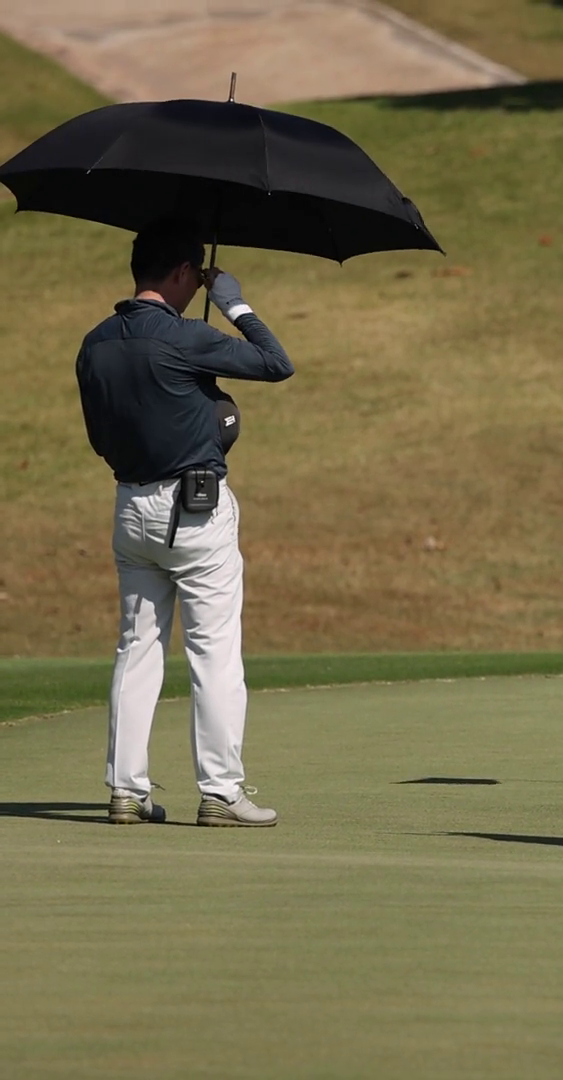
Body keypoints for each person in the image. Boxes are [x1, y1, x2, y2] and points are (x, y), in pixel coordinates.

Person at [75, 221, 293, 827]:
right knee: (214, 652)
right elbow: (276, 363)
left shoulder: (95, 342)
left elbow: (100, 437)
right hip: (194, 513)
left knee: (136, 649)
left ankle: (126, 791)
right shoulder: (187, 336)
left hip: (129, 506)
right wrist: (234, 304)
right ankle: (220, 792)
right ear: (181, 272)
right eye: (197, 275)